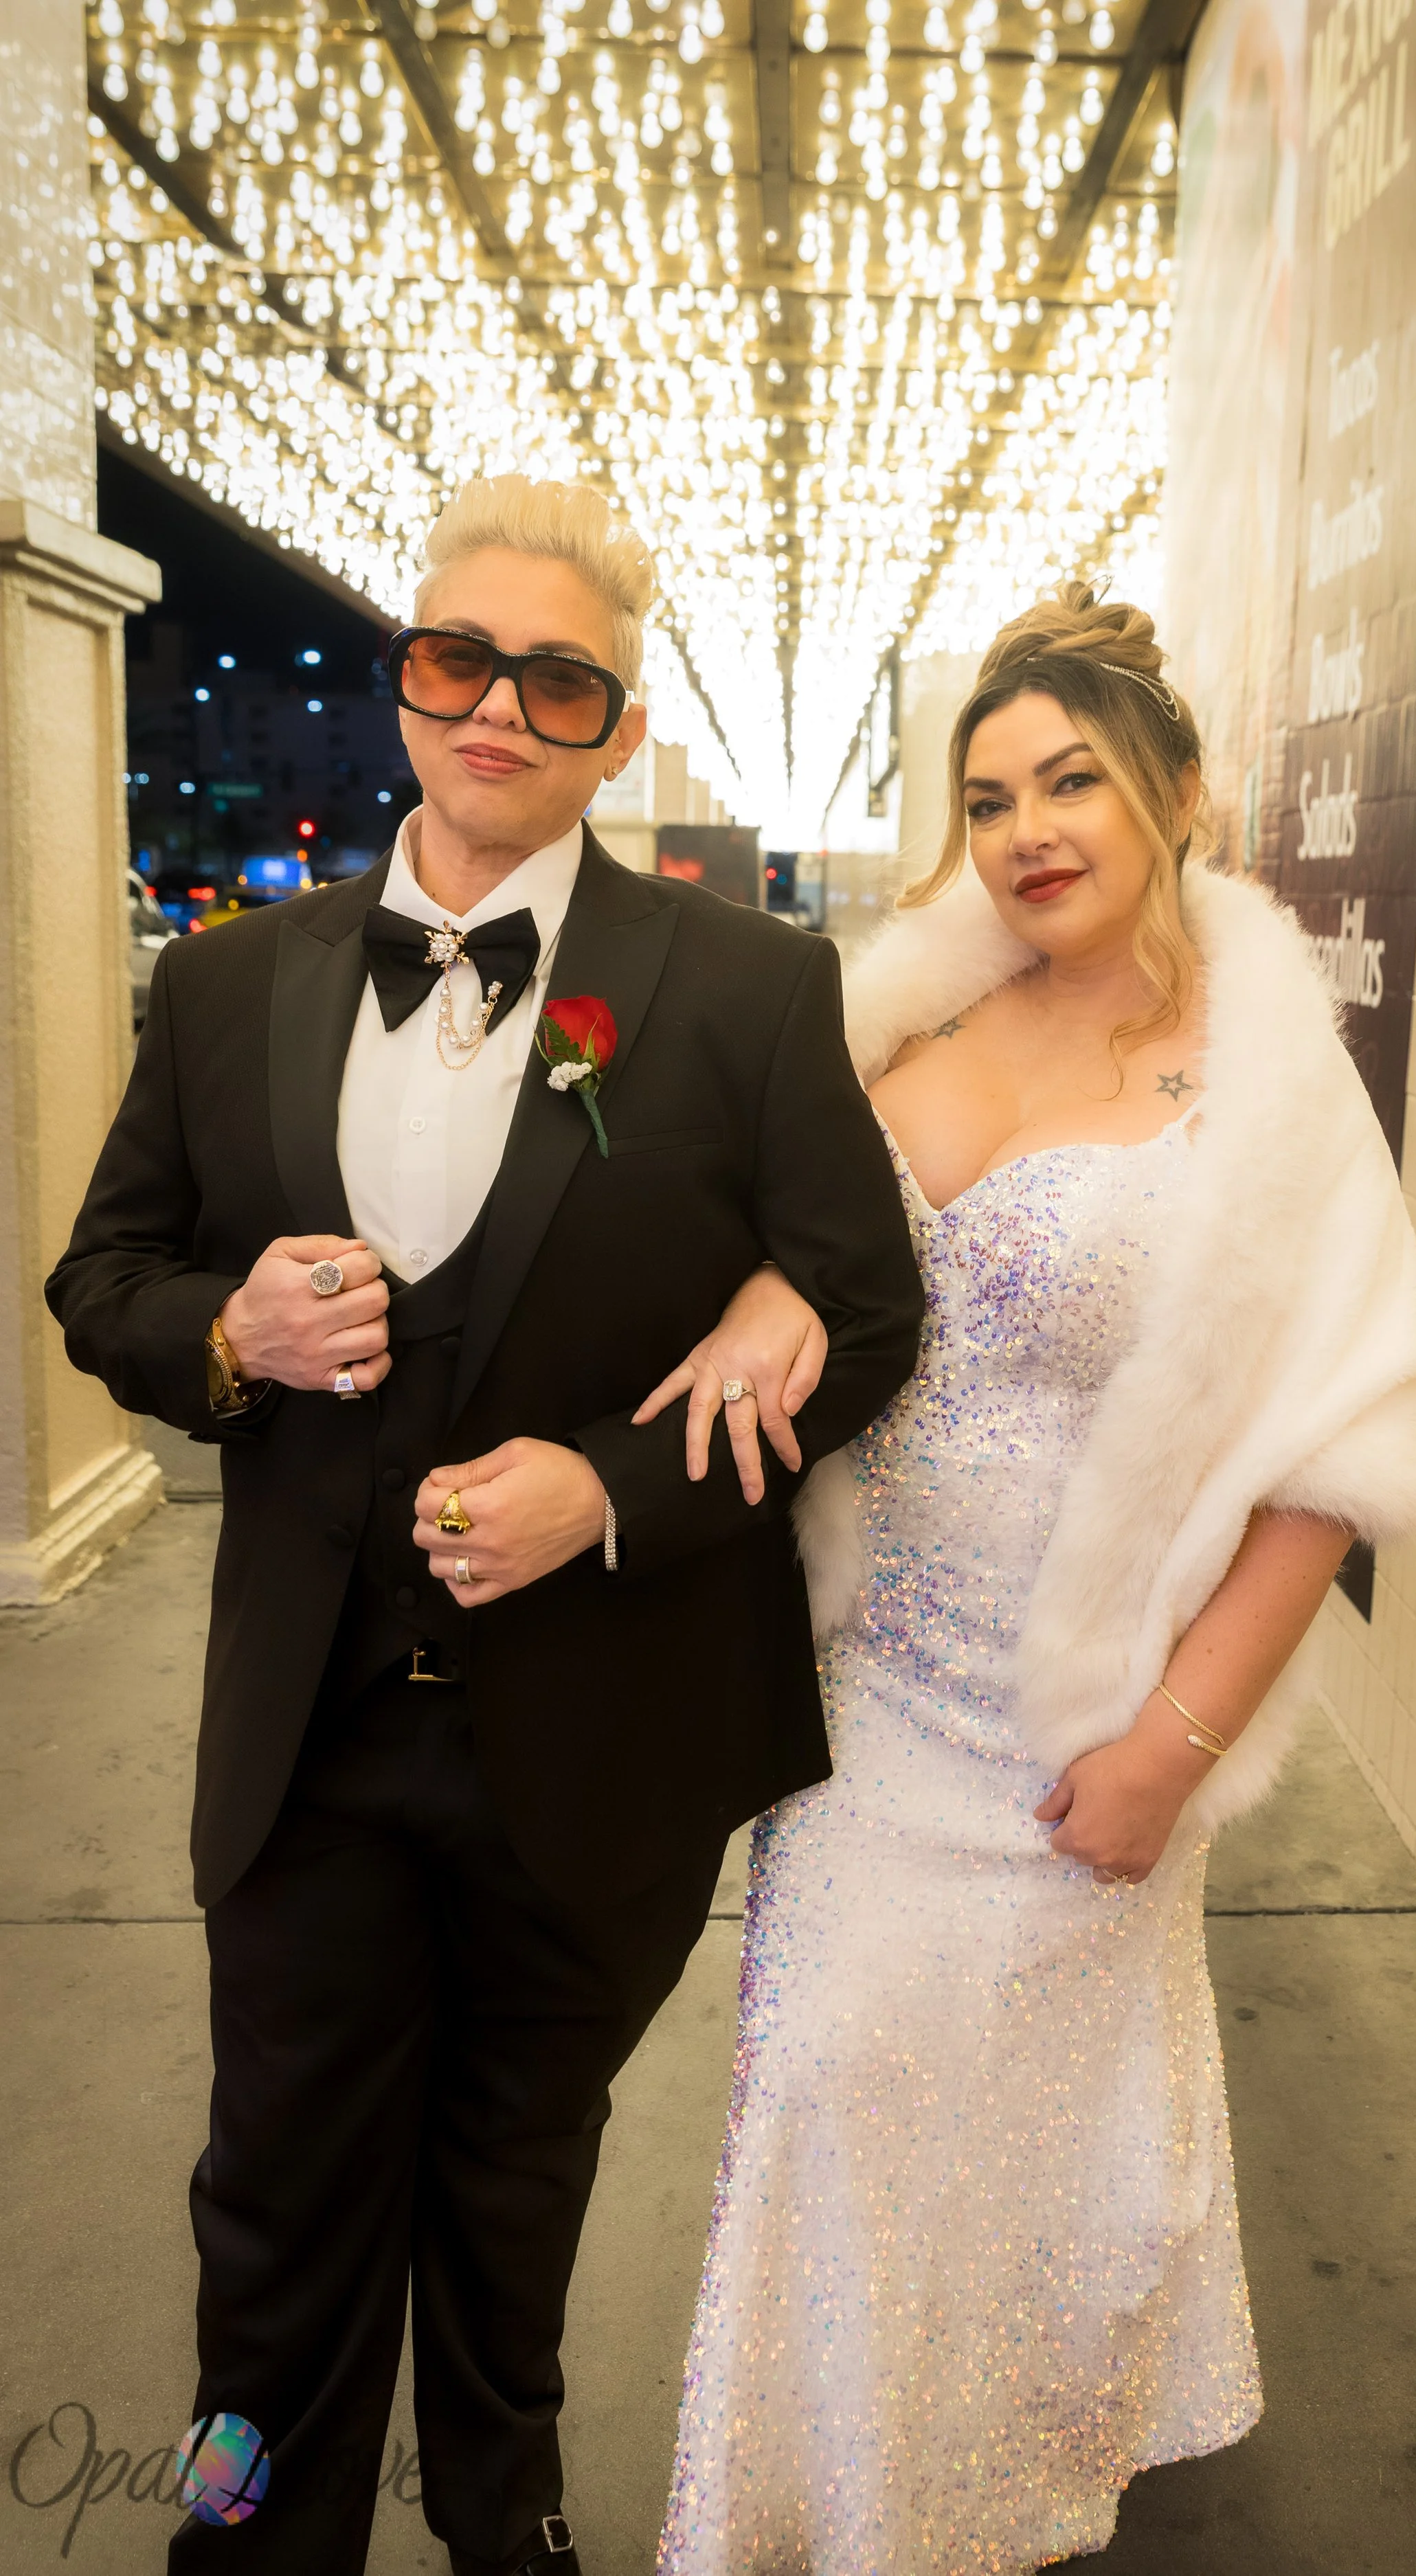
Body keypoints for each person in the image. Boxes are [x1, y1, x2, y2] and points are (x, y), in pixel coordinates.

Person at [45, 475, 924, 2576]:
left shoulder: (745, 988)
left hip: (605, 1729)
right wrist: (233, 1334)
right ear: (402, 678)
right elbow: (105, 1287)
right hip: (313, 1733)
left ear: (617, 725)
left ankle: (502, 2517)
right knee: (271, 2199)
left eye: (558, 678)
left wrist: (608, 1494)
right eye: (455, 661)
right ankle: (242, 2535)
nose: (496, 712)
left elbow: (863, 1313)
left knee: (518, 2179)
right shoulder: (228, 984)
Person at [651, 584, 1416, 2573]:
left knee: (1025, 2181)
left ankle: (993, 2505)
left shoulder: (1273, 1089)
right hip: (862, 1703)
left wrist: (1172, 1747)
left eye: (1072, 777)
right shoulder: (904, 1028)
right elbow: (797, 1255)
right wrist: (759, 1298)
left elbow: (1325, 1469)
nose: (1028, 826)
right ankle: (821, 2519)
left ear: (1178, 791)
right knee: (831, 2099)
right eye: (990, 791)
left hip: (1082, 1719)